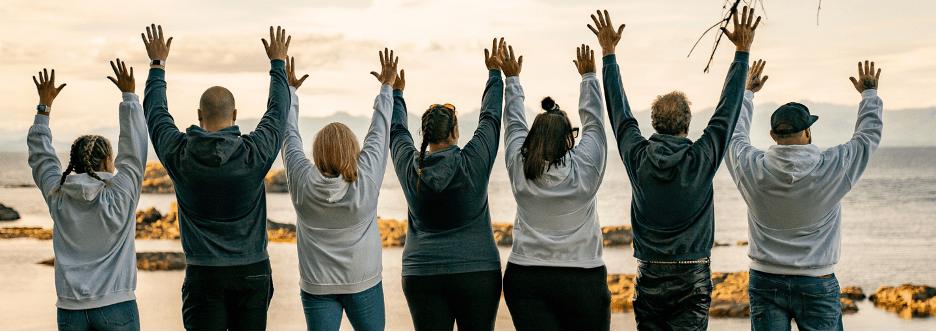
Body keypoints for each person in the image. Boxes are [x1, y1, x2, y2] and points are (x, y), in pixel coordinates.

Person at [595, 7, 760, 330]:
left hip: (649, 275)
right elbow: (727, 111)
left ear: (654, 123)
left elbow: (619, 111)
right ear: (687, 123)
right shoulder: (702, 157)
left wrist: (609, 54)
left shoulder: (638, 156)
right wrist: (742, 52)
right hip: (693, 276)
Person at [140, 24, 291, 330]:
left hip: (203, 275)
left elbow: (155, 114)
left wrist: (158, 66)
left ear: (199, 115)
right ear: (235, 116)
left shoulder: (180, 155)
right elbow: (277, 113)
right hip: (252, 272)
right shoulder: (254, 153)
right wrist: (278, 65)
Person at [725, 60, 883, 331]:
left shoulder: (750, 167)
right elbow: (867, 137)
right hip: (816, 281)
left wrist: (747, 93)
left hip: (765, 280)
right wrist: (869, 94)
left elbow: (732, 134)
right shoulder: (834, 166)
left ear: (773, 135)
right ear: (808, 131)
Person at [389, 38, 506, 331]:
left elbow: (397, 130)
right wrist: (494, 73)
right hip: (477, 271)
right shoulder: (474, 160)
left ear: (425, 134)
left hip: (422, 273)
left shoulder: (409, 165)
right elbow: (490, 118)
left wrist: (396, 93)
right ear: (455, 130)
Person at [281, 49, 399, 331]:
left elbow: (288, 134)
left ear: (317, 152)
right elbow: (379, 130)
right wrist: (387, 87)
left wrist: (289, 92)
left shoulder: (301, 180)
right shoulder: (366, 179)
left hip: (316, 286)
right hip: (364, 283)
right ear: (354, 150)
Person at [27, 60, 147, 331]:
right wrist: (129, 97)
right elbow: (135, 151)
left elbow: (41, 159)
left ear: (75, 163)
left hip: (70, 310)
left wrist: (44, 109)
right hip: (117, 305)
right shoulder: (121, 195)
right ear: (107, 161)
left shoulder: (58, 194)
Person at [499, 42, 611, 330]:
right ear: (569, 139)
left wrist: (511, 80)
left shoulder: (519, 167)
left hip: (526, 278)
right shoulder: (586, 168)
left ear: (531, 137)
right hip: (583, 278)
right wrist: (589, 77)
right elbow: (595, 124)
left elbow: (513, 123)